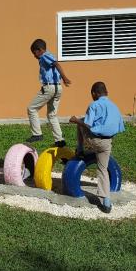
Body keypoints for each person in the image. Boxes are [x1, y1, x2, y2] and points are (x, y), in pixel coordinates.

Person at [69, 81, 125, 213]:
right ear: (107, 93)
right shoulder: (114, 106)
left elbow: (88, 125)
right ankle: (106, 202)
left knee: (80, 121)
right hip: (107, 143)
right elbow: (119, 127)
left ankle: (80, 150)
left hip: (94, 140)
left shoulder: (94, 105)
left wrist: (76, 120)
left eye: (92, 94)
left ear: (94, 93)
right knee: (103, 170)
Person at [26, 38, 72, 146]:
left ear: (40, 50)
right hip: (58, 88)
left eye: (34, 52)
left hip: (49, 88)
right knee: (52, 115)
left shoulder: (45, 55)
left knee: (31, 108)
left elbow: (56, 64)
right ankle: (59, 140)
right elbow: (54, 66)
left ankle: (37, 134)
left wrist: (65, 77)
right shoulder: (48, 56)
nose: (34, 55)